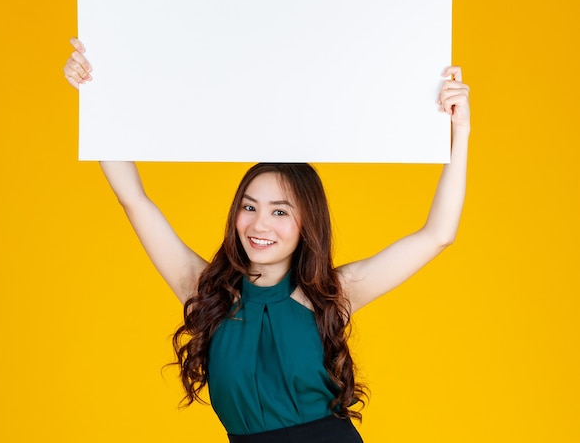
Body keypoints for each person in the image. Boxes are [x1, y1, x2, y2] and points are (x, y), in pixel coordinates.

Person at [64, 38, 470, 443]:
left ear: (307, 224)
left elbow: (438, 234)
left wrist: (460, 128)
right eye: (249, 206)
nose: (260, 225)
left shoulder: (331, 293)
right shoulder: (205, 291)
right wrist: (96, 92)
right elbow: (134, 200)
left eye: (280, 211)